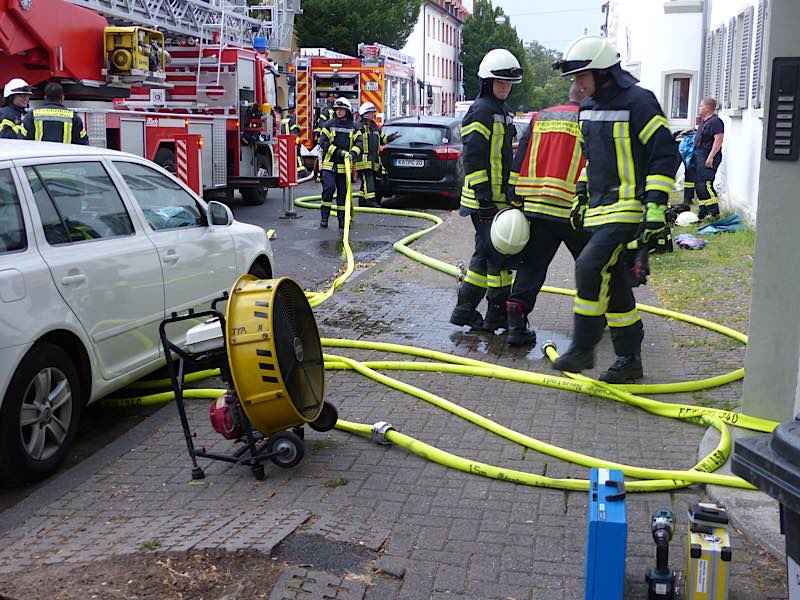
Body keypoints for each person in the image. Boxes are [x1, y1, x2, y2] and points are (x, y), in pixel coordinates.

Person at [550, 35, 680, 382]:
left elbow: (665, 155)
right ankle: (629, 360)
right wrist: (580, 192)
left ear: (604, 72)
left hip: (630, 210)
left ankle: (583, 348)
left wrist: (655, 206)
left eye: (582, 76)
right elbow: (591, 159)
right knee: (616, 283)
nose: (578, 85)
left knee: (589, 268)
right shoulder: (589, 108)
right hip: (599, 211)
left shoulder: (640, 102)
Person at [504, 81, 589, 347]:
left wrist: (514, 193)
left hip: (539, 206)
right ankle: (599, 321)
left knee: (531, 267)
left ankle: (516, 324)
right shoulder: (589, 119)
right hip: (574, 208)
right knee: (592, 266)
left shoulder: (540, 117)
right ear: (585, 93)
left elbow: (521, 157)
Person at [449, 48, 523, 332]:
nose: (505, 87)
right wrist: (483, 198)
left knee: (483, 257)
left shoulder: (501, 111)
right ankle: (496, 314)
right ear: (486, 82)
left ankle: (464, 311)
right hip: (484, 201)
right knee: (498, 259)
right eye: (500, 82)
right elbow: (474, 158)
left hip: (496, 200)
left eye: (508, 83)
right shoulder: (481, 111)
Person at [318, 97, 362, 229]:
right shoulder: (329, 125)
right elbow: (323, 142)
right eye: (337, 109)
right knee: (329, 189)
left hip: (345, 168)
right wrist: (339, 152)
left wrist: (353, 154)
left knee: (342, 195)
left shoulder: (354, 127)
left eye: (341, 109)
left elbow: (359, 143)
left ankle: (342, 221)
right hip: (329, 165)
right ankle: (324, 218)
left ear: (347, 111)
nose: (339, 112)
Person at [355, 102, 400, 208]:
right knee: (368, 179)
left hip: (373, 159)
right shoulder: (359, 127)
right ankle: (370, 201)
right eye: (371, 113)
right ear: (365, 114)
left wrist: (392, 137)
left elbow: (383, 140)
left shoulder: (375, 128)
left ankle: (362, 200)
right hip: (363, 159)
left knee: (366, 181)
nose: (373, 115)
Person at [23, 82, 88, 144]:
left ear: (45, 97)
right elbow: (82, 142)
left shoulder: (32, 115)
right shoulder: (73, 117)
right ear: (62, 98)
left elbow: (23, 140)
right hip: (65, 155)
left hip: (40, 155)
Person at [693, 97, 724, 220]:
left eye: (701, 106)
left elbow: (719, 139)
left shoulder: (716, 122)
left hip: (708, 156)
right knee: (699, 185)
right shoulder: (705, 121)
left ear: (707, 107)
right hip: (699, 156)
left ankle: (714, 213)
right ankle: (703, 212)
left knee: (706, 185)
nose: (700, 108)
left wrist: (711, 157)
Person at [280, 105, 308, 178]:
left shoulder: (283, 120)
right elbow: (294, 134)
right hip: (291, 142)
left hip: (283, 142)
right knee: (297, 156)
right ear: (294, 112)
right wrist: (297, 145)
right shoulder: (292, 121)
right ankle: (301, 171)